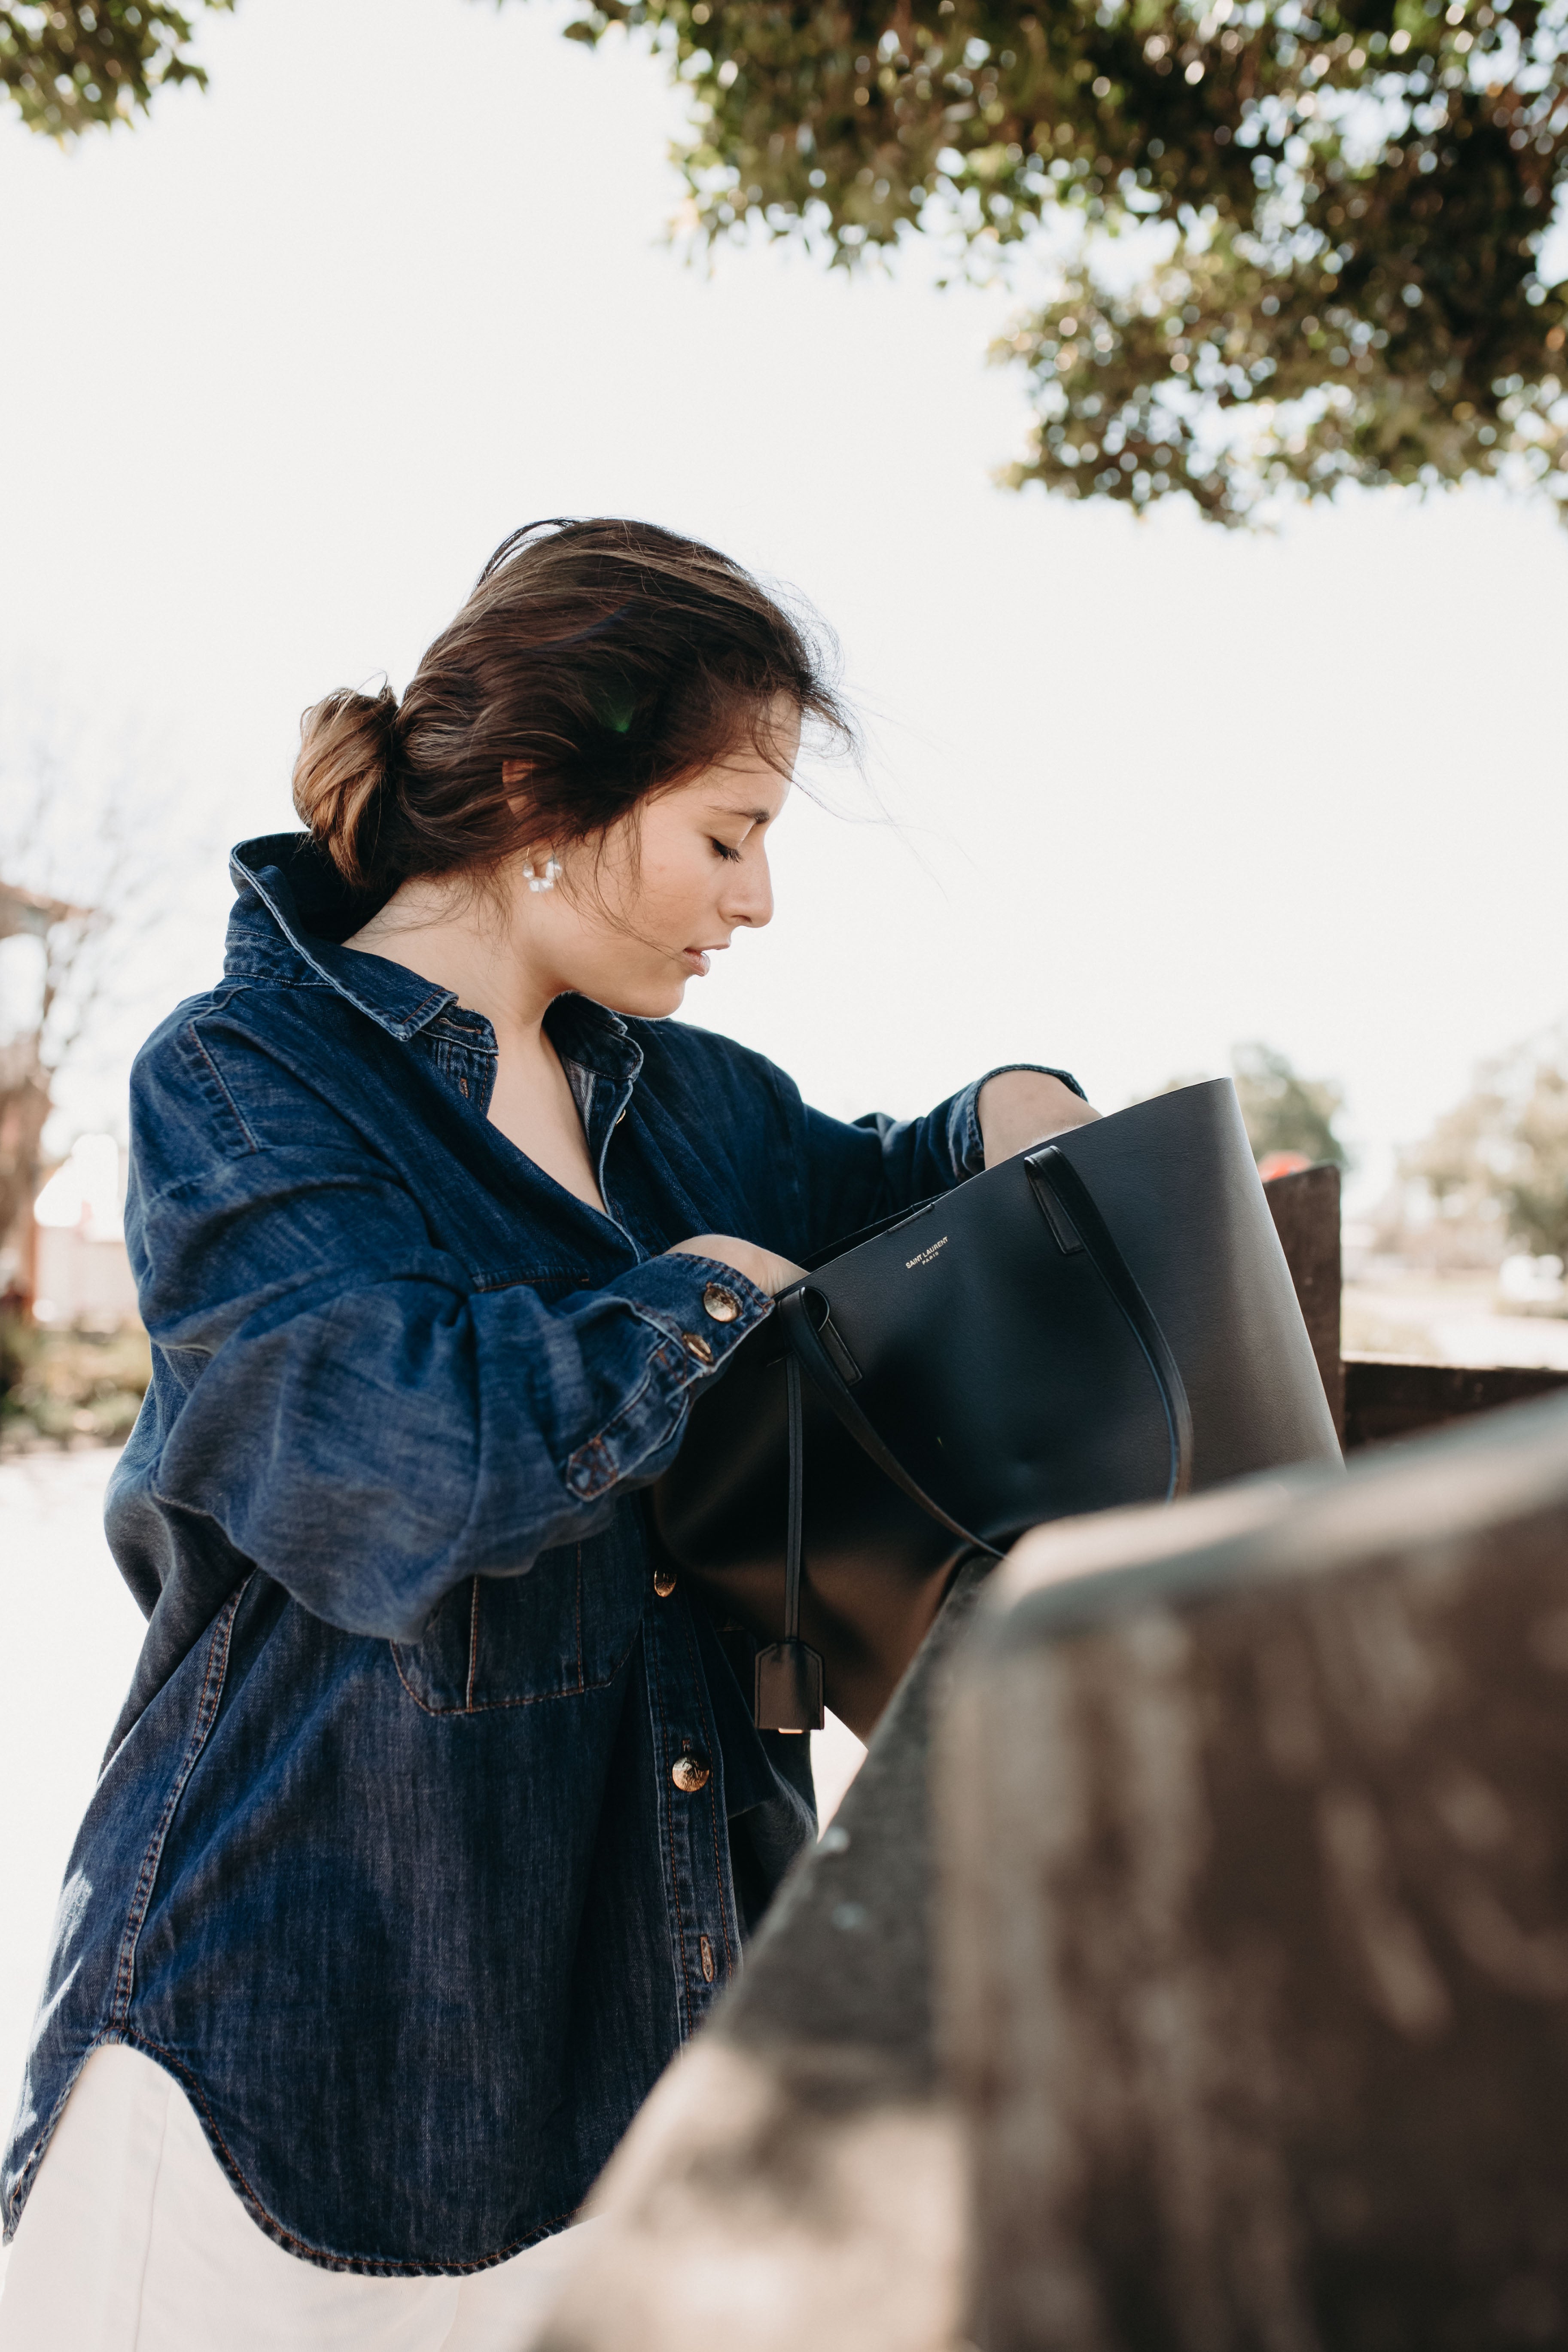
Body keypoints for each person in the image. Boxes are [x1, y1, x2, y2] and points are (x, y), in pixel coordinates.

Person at [0, 517, 1095, 2348]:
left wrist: (1008, 1110)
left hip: (643, 2071)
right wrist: (703, 1299)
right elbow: (401, 1454)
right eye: (727, 834)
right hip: (292, 2077)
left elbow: (890, 1190)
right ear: (539, 798)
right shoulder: (241, 1078)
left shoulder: (692, 1104)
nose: (756, 901)